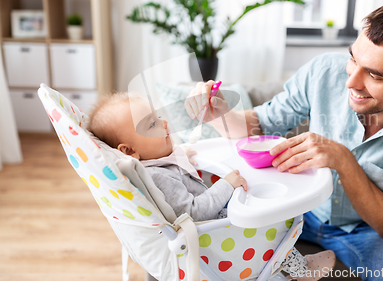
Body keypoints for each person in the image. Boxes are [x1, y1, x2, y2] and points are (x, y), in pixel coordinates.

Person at [184, 0, 383, 280]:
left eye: (375, 75)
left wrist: (343, 160)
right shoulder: (323, 71)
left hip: (364, 231)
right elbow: (258, 125)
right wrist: (218, 111)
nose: (351, 82)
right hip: (293, 209)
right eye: (354, 59)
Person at [88, 92, 336, 281]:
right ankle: (300, 270)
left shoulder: (159, 164)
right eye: (152, 124)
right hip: (215, 235)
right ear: (130, 151)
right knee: (272, 223)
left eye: (158, 117)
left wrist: (181, 155)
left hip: (212, 223)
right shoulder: (159, 177)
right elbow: (195, 212)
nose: (164, 123)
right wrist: (227, 185)